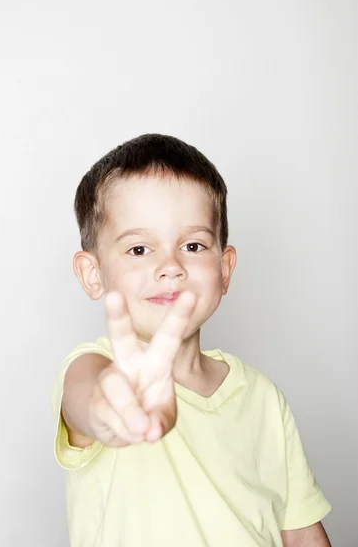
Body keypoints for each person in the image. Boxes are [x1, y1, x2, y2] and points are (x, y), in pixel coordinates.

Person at [51, 133, 332, 547]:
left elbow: (303, 533)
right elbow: (87, 400)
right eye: (139, 249)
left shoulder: (264, 398)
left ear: (224, 268)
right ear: (93, 274)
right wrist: (108, 408)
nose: (170, 266)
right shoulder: (96, 367)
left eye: (193, 245)